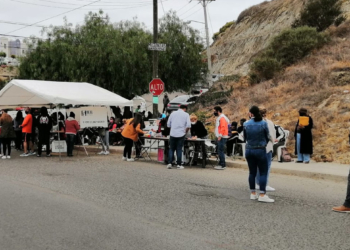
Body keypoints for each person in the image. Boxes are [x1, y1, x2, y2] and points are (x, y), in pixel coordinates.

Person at [244, 106, 274, 203]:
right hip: (260, 149)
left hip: (249, 149)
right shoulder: (263, 123)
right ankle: (262, 194)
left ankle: (253, 193)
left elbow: (245, 137)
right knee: (263, 172)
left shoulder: (246, 124)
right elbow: (268, 136)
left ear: (251, 113)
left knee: (252, 172)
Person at [256, 107, 276, 192]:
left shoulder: (253, 123)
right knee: (266, 167)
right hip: (266, 147)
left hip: (255, 147)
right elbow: (272, 136)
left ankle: (257, 183)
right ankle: (264, 184)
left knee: (257, 166)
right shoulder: (268, 123)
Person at [166, 105, 191, 170]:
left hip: (173, 133)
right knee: (179, 149)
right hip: (181, 134)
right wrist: (185, 131)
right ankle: (179, 164)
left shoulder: (172, 113)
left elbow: (168, 124)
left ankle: (170, 163)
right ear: (185, 109)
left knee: (171, 149)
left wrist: (173, 128)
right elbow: (188, 125)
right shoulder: (186, 114)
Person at [213, 106, 230, 170]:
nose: (214, 112)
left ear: (218, 111)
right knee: (220, 150)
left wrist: (220, 135)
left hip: (222, 136)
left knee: (220, 150)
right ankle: (221, 163)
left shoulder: (222, 118)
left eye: (215, 111)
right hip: (221, 136)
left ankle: (222, 164)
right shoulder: (221, 117)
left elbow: (222, 127)